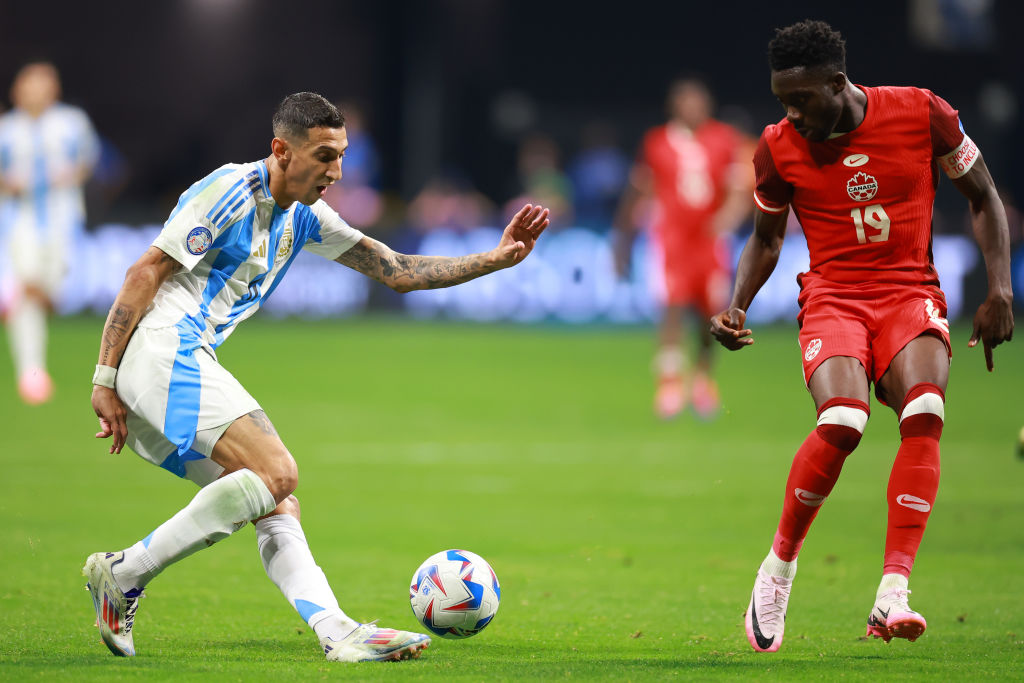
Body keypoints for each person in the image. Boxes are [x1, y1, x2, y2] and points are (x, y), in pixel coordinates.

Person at [84, 92, 549, 663]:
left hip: (174, 361)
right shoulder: (229, 190)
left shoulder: (305, 216)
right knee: (277, 471)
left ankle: (337, 632)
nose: (337, 171)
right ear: (281, 150)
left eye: (342, 156)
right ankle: (125, 572)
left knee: (276, 503)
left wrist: (495, 258)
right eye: (325, 156)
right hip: (161, 350)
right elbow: (145, 271)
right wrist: (104, 377)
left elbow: (397, 271)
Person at [710, 20, 1013, 652]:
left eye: (802, 99)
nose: (791, 113)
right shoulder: (776, 146)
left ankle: (892, 594)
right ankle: (779, 569)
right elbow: (766, 239)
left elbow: (984, 198)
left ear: (839, 82)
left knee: (925, 408)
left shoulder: (922, 112)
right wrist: (735, 306)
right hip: (835, 298)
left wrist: (1000, 289)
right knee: (844, 421)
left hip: (910, 293)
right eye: (781, 101)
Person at [615, 78, 752, 420]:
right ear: (674, 106)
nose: (694, 108)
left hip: (709, 240)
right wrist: (625, 240)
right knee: (672, 307)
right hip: (670, 239)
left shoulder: (724, 139)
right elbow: (641, 190)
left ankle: (703, 379)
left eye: (699, 101)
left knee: (713, 312)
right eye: (687, 102)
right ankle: (670, 382)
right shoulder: (657, 141)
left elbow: (739, 187)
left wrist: (729, 217)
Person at [0, 61, 99, 403]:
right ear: (16, 91)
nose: (34, 92)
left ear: (53, 89)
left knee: (52, 290)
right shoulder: (6, 129)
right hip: (20, 218)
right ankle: (31, 372)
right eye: (28, 85)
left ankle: (33, 300)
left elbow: (90, 159)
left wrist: (73, 174)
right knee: (25, 288)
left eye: (41, 85)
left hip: (62, 217)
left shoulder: (72, 123)